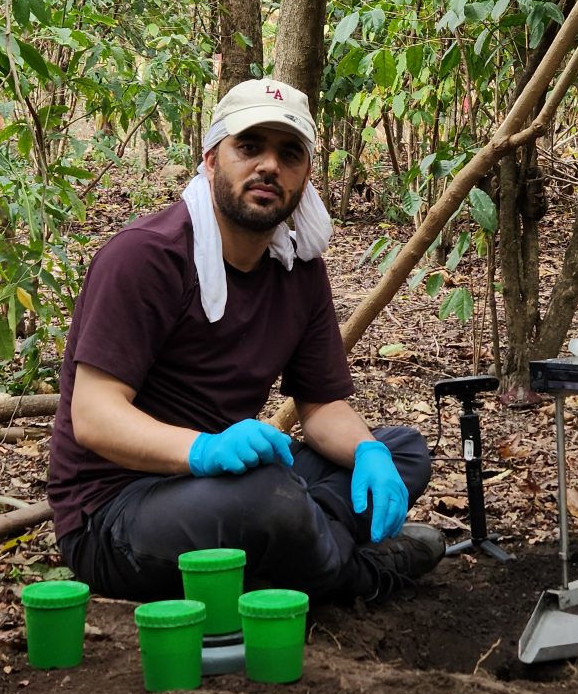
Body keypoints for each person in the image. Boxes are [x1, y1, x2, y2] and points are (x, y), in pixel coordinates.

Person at [47, 78, 444, 603]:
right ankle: (357, 575)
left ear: (306, 175)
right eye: (249, 147)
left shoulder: (298, 269)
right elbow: (95, 416)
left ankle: (287, 555)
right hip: (116, 510)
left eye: (289, 154)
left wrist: (367, 451)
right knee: (270, 499)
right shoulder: (146, 257)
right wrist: (204, 450)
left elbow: (321, 405)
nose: (269, 166)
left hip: (232, 484)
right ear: (212, 160)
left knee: (401, 452)